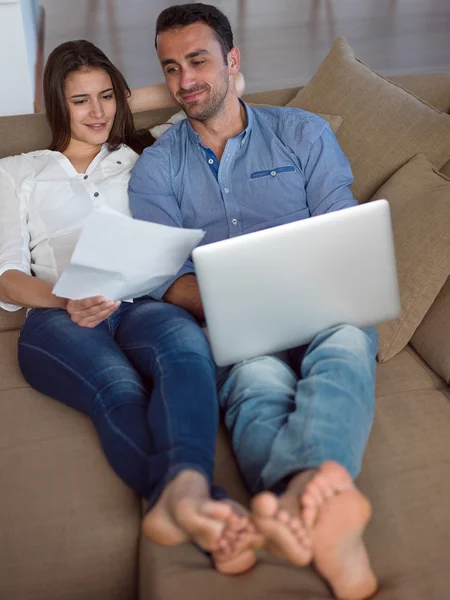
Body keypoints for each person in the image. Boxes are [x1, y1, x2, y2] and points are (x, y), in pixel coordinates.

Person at [129, 4, 379, 599]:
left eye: (198, 60)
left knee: (344, 346)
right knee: (255, 382)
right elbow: (166, 280)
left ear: (232, 60)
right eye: (171, 67)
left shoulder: (303, 132)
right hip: (237, 324)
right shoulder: (156, 170)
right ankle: (319, 500)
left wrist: (307, 287)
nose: (185, 80)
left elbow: (345, 234)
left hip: (325, 306)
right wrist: (238, 299)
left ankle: (299, 496)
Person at [0, 39, 261, 575]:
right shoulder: (17, 172)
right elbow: (5, 278)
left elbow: (234, 86)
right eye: (79, 101)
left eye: (106, 97)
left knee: (189, 351)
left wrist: (120, 98)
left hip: (139, 301)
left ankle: (185, 498)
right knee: (118, 387)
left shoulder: (146, 154)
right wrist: (64, 298)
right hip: (55, 315)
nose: (97, 113)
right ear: (57, 106)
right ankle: (206, 504)